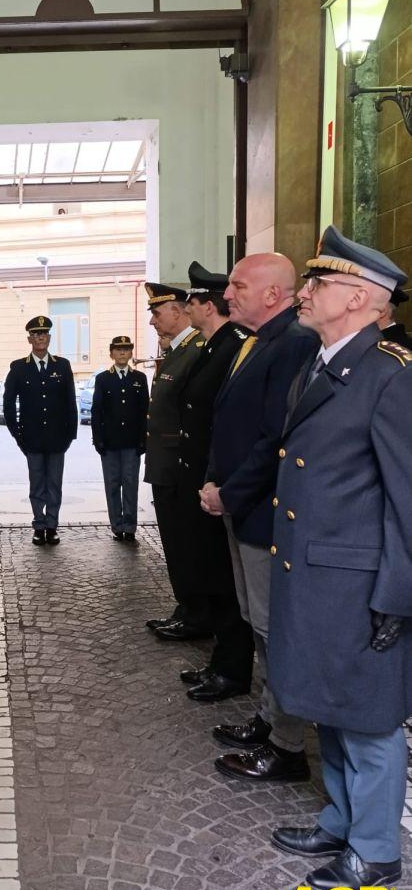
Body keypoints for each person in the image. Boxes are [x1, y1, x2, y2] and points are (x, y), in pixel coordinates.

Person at [267, 226, 412, 890]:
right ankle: (341, 819)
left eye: (316, 284)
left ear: (356, 298)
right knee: (331, 706)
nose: (302, 294)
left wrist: (397, 596)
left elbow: (408, 498)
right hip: (318, 575)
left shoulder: (388, 376)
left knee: (370, 719)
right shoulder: (322, 363)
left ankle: (376, 850)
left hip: (360, 584)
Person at [200, 253, 317, 782]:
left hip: (264, 512)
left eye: (238, 285)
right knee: (257, 622)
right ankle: (270, 721)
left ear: (273, 293)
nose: (228, 294)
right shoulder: (259, 340)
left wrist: (230, 492)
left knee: (274, 630)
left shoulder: (292, 343)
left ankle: (287, 747)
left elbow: (276, 439)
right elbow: (227, 422)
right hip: (240, 505)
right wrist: (212, 480)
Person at [171, 263, 253, 702]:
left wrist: (214, 479)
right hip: (203, 478)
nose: (187, 310)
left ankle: (233, 668)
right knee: (214, 573)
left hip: (217, 481)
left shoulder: (233, 346)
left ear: (207, 305)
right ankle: (223, 660)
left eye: (192, 303)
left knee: (224, 578)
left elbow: (229, 420)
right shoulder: (215, 345)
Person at [141, 283, 206, 635]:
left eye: (157, 312)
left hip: (179, 466)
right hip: (165, 464)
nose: (152, 320)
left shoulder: (195, 350)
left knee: (185, 544)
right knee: (175, 543)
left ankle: (195, 614)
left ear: (179, 311)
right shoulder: (178, 350)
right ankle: (186, 606)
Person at [2, 315, 77, 545]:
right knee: (36, 484)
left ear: (50, 337)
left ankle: (52, 526)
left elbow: (70, 403)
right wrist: (18, 435)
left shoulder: (62, 365)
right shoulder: (18, 368)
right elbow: (8, 404)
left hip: (57, 439)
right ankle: (38, 524)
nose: (40, 338)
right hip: (31, 438)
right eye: (36, 334)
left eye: (44, 334)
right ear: (29, 339)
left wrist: (69, 436)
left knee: (54, 484)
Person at [91, 335, 148, 542]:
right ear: (111, 353)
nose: (122, 353)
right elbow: (97, 411)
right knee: (113, 484)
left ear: (131, 353)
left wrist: (144, 439)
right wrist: (98, 439)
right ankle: (117, 525)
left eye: (126, 349)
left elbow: (144, 411)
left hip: (132, 442)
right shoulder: (103, 379)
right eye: (118, 349)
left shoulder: (139, 379)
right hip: (110, 442)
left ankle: (130, 526)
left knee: (130, 483)